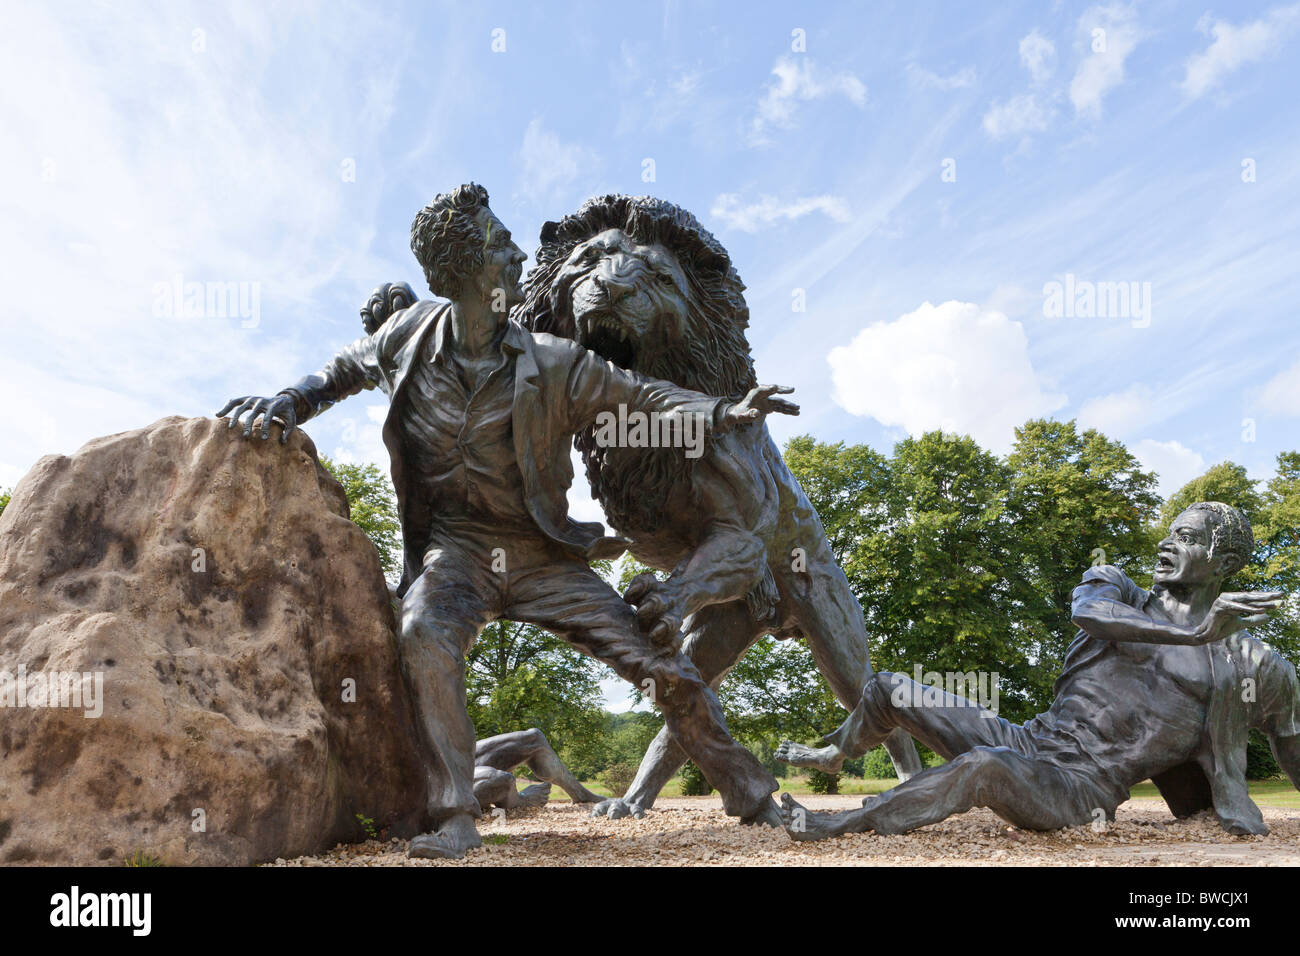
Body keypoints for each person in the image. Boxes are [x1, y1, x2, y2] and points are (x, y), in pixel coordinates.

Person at [218, 184, 792, 858]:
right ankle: (455, 815)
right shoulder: (405, 335)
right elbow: (341, 370)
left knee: (659, 666)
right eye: (500, 245)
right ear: (462, 274)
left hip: (540, 556)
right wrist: (288, 399)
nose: (519, 253)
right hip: (456, 555)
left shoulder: (553, 362)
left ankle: (751, 791)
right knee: (423, 635)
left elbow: (640, 395)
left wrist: (723, 411)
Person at [776, 502, 1298, 840]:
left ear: (1225, 565)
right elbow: (1089, 615)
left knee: (984, 767)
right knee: (889, 687)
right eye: (1170, 531)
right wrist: (1194, 632)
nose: (1167, 543)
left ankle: (848, 821)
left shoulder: (1254, 664)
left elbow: (1291, 736)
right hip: (1029, 738)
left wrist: (1208, 637)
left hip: (1079, 784)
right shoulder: (1114, 586)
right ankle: (835, 752)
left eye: (1186, 538)